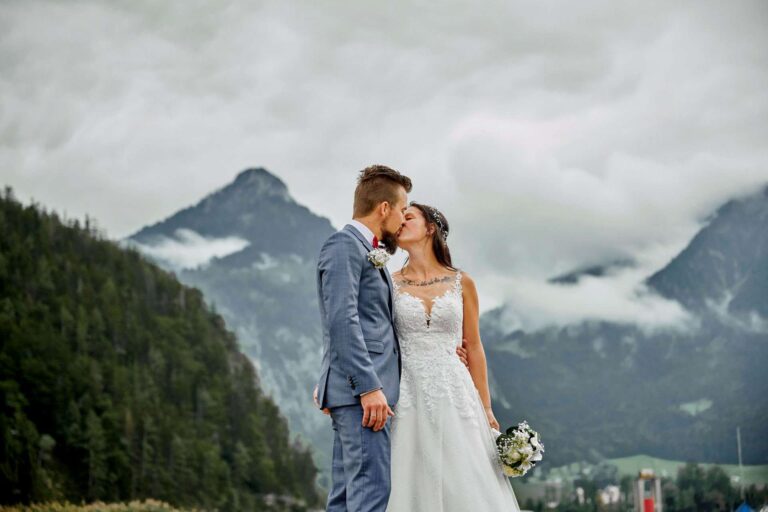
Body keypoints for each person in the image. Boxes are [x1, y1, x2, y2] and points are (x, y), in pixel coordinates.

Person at [312, 166, 469, 512]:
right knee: (370, 494)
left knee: (346, 498)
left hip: (356, 391)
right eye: (402, 210)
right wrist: (367, 387)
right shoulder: (344, 246)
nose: (401, 220)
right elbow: (341, 319)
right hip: (362, 395)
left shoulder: (366, 251)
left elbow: (366, 322)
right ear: (384, 208)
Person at [385, 202, 521, 511]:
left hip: (455, 389)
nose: (400, 222)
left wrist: (486, 408)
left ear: (430, 228)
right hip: (408, 390)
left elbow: (473, 346)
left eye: (408, 217)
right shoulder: (388, 282)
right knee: (409, 473)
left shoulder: (463, 282)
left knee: (464, 476)